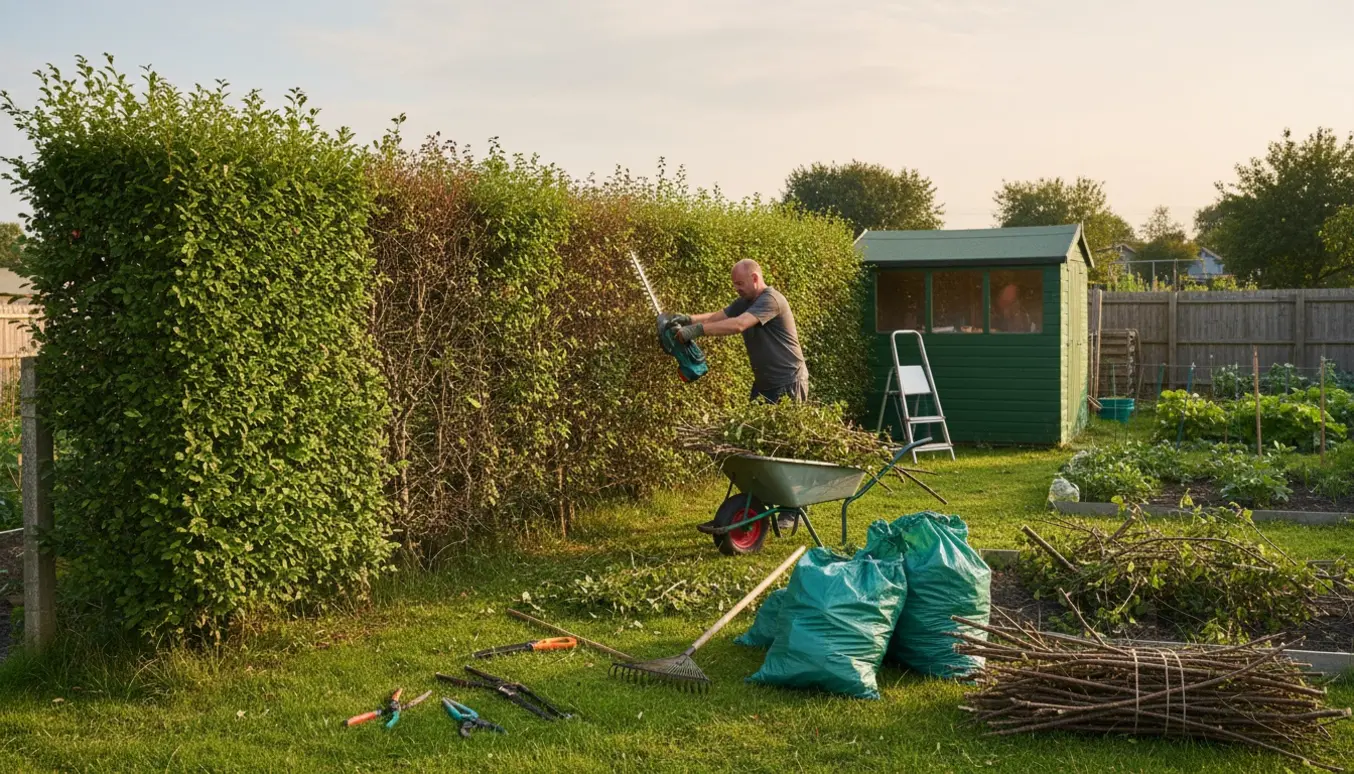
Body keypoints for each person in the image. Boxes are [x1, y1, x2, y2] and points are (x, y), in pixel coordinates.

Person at [670, 259, 810, 403]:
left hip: (788, 382)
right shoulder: (745, 302)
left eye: (740, 283)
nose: (736, 288)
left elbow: (739, 324)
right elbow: (715, 317)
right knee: (750, 426)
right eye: (735, 284)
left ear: (755, 278)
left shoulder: (771, 300)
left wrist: (696, 330)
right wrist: (686, 320)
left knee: (779, 426)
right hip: (765, 384)